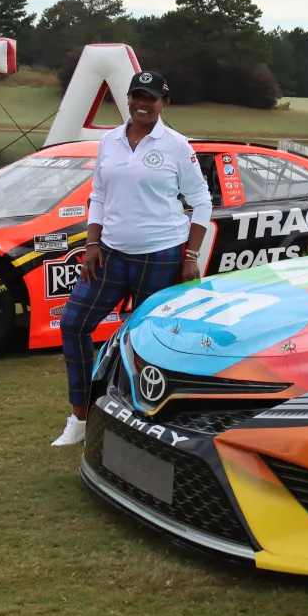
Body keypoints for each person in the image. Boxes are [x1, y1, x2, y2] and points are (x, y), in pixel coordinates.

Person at [51, 70, 212, 446]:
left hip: (161, 256)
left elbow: (202, 202)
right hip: (110, 254)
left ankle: (139, 421)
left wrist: (190, 254)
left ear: (164, 103)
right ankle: (81, 415)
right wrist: (92, 244)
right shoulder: (109, 141)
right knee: (74, 325)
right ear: (128, 99)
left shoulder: (176, 145)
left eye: (151, 98)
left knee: (145, 343)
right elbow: (99, 196)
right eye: (137, 96)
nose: (143, 103)